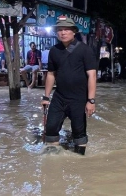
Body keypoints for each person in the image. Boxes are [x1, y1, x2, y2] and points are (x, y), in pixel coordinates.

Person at [41, 15, 97, 155]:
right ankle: (53, 164)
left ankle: (79, 161)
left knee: (79, 131)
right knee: (51, 127)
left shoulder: (85, 50)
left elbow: (92, 76)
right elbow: (51, 74)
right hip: (59, 96)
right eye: (60, 29)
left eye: (66, 29)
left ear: (74, 31)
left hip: (78, 98)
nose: (63, 32)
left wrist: (91, 100)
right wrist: (46, 97)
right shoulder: (54, 51)